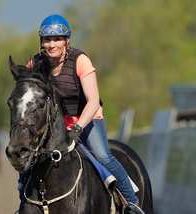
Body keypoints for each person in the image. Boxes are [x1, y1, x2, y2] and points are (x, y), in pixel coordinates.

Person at [20, 14, 145, 214]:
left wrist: (78, 128)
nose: (52, 44)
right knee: (29, 159)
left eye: (57, 39)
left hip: (86, 119)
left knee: (103, 156)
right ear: (41, 42)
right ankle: (24, 201)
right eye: (47, 39)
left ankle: (132, 203)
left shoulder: (80, 60)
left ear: (66, 41)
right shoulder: (34, 64)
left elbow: (93, 100)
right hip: (55, 125)